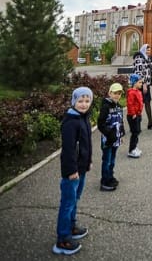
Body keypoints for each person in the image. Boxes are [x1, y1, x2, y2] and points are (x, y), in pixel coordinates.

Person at [52, 87, 93, 255]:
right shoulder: (71, 122)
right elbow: (68, 150)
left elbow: (86, 145)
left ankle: (71, 227)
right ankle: (63, 239)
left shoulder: (84, 118)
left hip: (81, 168)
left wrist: (88, 161)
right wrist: (71, 170)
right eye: (80, 101)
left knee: (75, 200)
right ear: (74, 101)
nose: (84, 104)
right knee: (68, 203)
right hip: (72, 171)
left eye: (87, 101)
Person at [97, 83, 125, 191]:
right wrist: (109, 134)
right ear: (110, 93)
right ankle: (104, 181)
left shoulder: (119, 106)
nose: (117, 95)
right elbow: (101, 124)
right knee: (107, 160)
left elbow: (120, 121)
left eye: (119, 93)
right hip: (108, 139)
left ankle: (110, 177)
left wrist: (121, 134)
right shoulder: (105, 107)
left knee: (112, 160)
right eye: (115, 93)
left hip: (116, 139)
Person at [133, 44, 152, 130]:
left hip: (146, 84)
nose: (148, 52)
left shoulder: (146, 58)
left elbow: (148, 71)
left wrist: (147, 84)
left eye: (149, 50)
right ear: (143, 50)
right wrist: (143, 84)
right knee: (138, 104)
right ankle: (136, 125)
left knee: (147, 102)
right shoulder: (139, 58)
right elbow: (139, 72)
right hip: (140, 85)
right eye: (147, 50)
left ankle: (150, 122)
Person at [126, 74, 144, 158]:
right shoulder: (131, 93)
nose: (141, 84)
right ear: (134, 83)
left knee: (138, 131)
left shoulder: (138, 92)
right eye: (140, 82)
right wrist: (133, 113)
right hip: (133, 116)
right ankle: (131, 150)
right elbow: (130, 104)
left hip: (138, 114)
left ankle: (135, 147)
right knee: (134, 132)